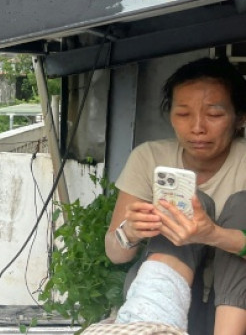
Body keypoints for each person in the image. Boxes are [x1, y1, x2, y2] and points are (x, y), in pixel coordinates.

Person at [105, 57, 246, 334]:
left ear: (240, 118)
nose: (197, 127)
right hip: (172, 298)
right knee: (182, 209)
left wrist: (213, 234)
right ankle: (154, 320)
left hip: (236, 308)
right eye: (183, 114)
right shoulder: (149, 158)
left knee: (241, 206)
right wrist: (130, 232)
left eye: (214, 115)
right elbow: (115, 253)